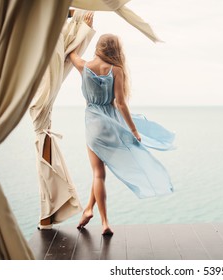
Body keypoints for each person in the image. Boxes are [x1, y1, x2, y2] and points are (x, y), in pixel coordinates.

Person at [69, 17, 175, 235]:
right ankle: (92, 211)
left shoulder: (84, 67)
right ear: (116, 50)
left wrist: (80, 28)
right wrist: (134, 130)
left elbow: (71, 51)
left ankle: (102, 219)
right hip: (112, 125)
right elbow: (120, 103)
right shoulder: (116, 70)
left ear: (98, 48)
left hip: (93, 124)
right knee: (100, 173)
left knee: (98, 174)